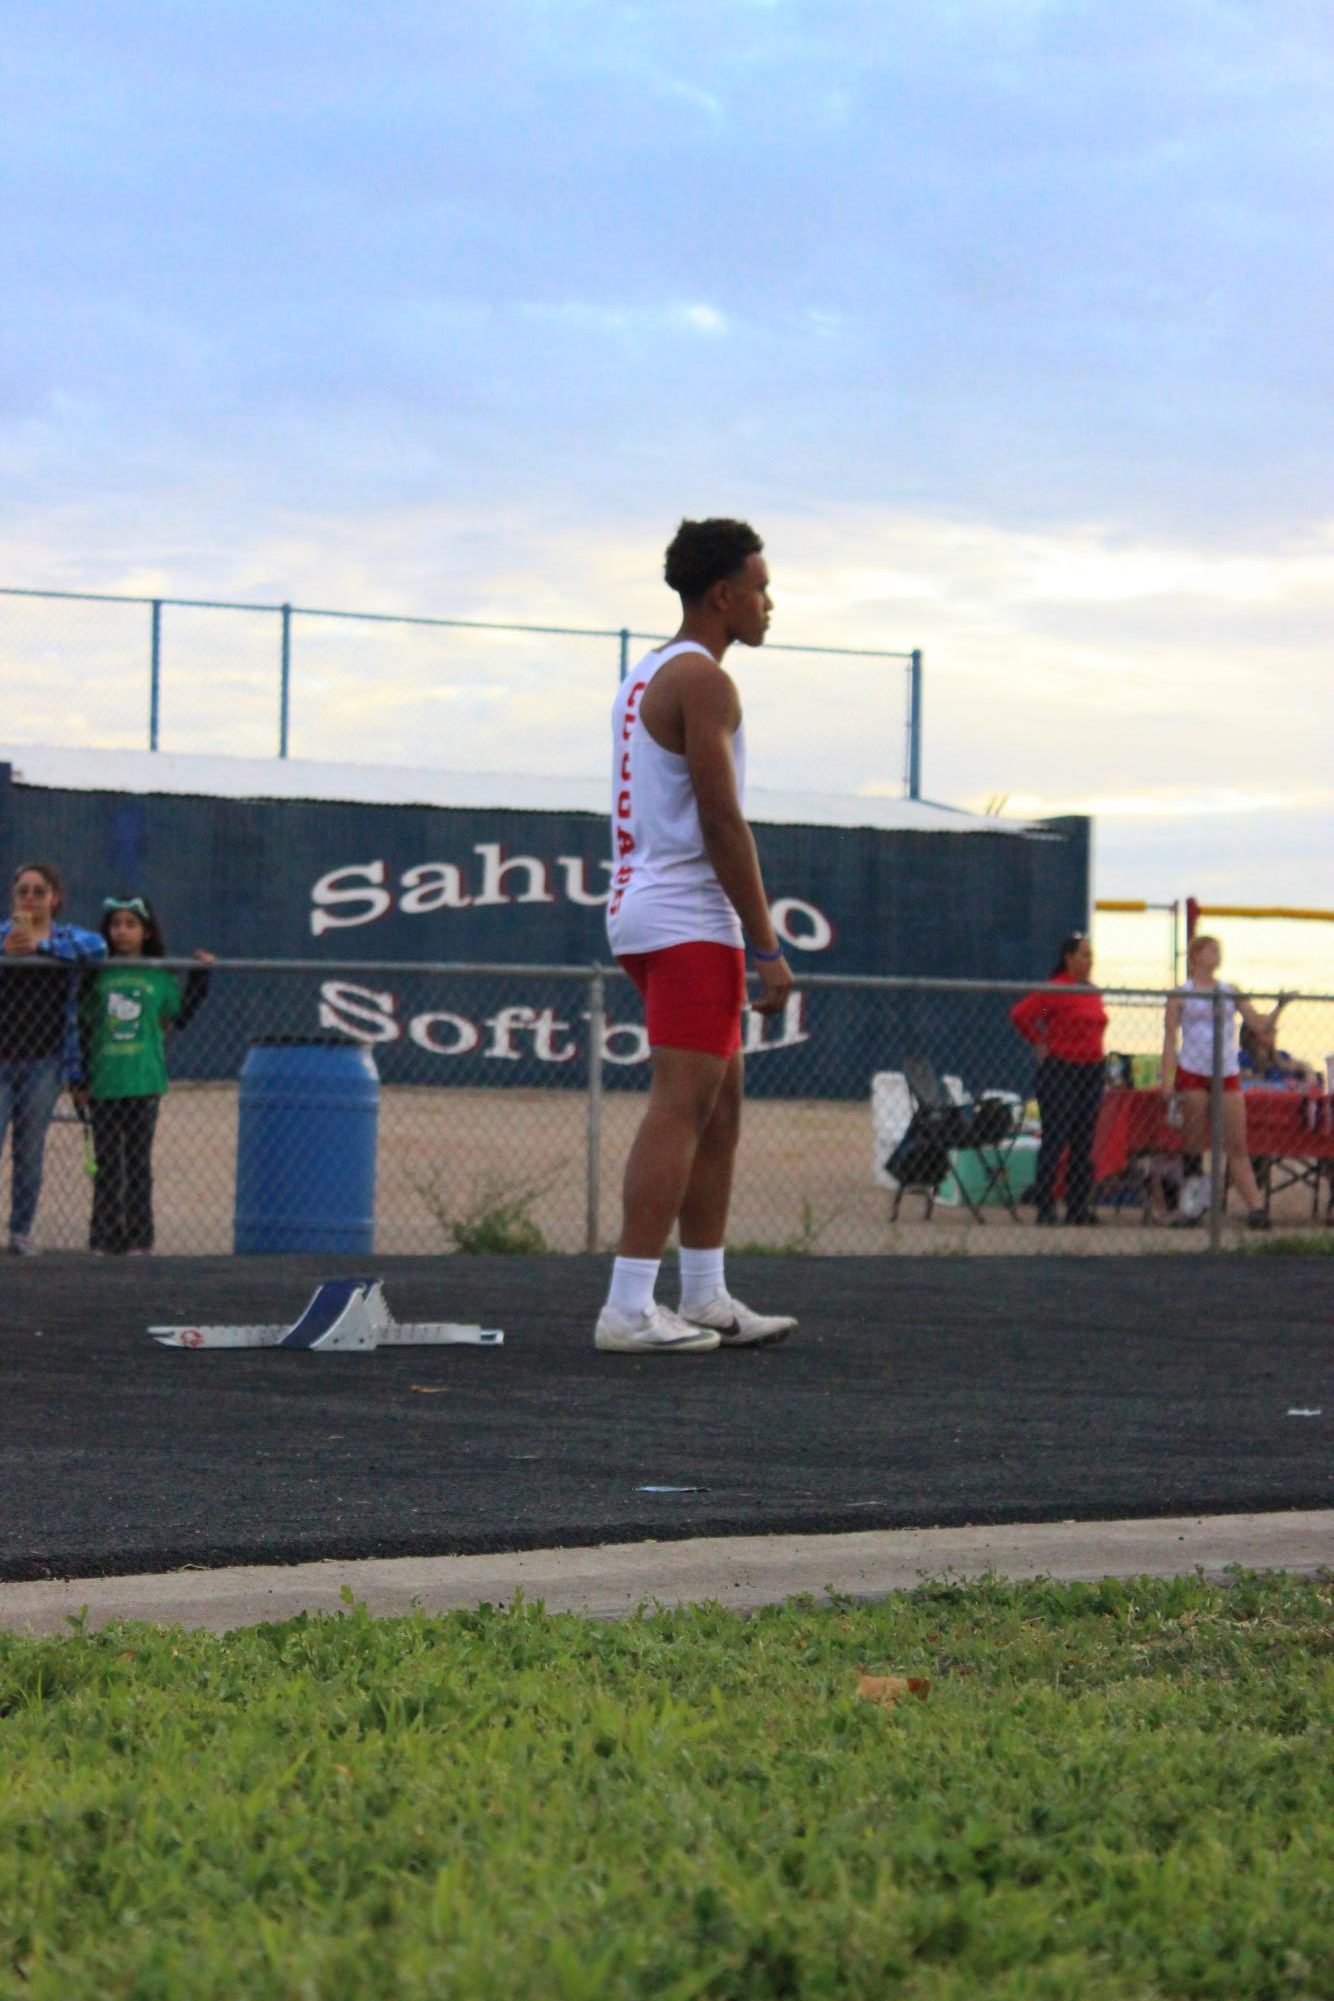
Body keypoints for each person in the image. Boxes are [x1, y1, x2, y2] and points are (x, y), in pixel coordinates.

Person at [594, 517, 798, 1354]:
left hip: (647, 908)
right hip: (687, 917)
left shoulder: (645, 673)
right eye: (759, 587)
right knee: (682, 1104)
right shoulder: (704, 681)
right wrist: (766, 942)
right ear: (722, 595)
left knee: (719, 1104)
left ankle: (706, 1292)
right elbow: (721, 817)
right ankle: (629, 1304)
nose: (769, 603)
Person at [79, 895, 214, 1255]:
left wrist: (200, 978)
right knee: (108, 1164)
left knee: (138, 1163)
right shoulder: (97, 973)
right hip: (105, 1081)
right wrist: (80, 1079)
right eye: (116, 924)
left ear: (146, 931)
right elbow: (84, 1026)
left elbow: (180, 1015)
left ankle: (140, 1238)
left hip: (144, 1081)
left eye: (130, 924)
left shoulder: (160, 972)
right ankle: (104, 1237)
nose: (122, 932)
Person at [0, 861, 106, 1254]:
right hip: (1, 1057)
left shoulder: (68, 939)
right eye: (22, 891)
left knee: (29, 1153)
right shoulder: (3, 936)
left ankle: (21, 1231)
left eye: (38, 891)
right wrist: (8, 949)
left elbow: (98, 948)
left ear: (54, 898)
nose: (29, 898)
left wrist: (41, 948)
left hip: (43, 1062)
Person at [1162, 934, 1281, 1229]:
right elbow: (1169, 1038)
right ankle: (1191, 1207)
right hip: (1192, 1069)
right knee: (1193, 1142)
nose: (1217, 954)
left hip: (1224, 1071)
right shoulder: (1182, 993)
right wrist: (1167, 1078)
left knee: (1236, 1143)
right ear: (1196, 955)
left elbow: (1258, 1025)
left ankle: (1254, 1206)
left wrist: (1279, 1007)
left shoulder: (1230, 991)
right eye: (1211, 949)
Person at [1010, 932, 1108, 1226]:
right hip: (1061, 1070)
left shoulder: (1091, 991)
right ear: (1069, 958)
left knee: (1083, 1140)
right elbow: (1023, 1014)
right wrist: (1039, 1040)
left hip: (1091, 1071)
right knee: (1055, 1137)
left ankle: (1077, 1205)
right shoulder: (1055, 990)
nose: (1090, 961)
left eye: (1091, 955)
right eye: (1085, 955)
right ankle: (1046, 1206)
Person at [1238, 1019, 1311, 1088]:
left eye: (1273, 1030)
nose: (1273, 1033)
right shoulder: (1244, 1057)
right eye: (1268, 1030)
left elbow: (1301, 1066)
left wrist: (1306, 1071)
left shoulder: (1281, 1055)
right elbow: (1244, 1078)